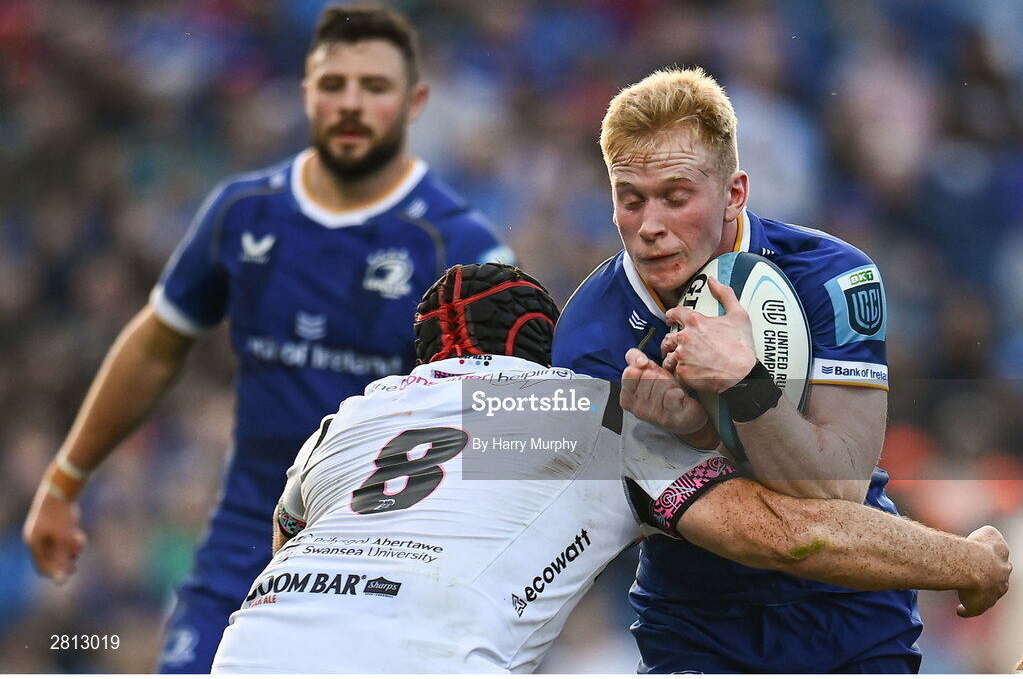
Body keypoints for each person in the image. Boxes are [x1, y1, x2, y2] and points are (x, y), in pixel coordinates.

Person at [22, 5, 513, 673]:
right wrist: (64, 480)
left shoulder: (460, 249)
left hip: (384, 568)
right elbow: (154, 347)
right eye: (333, 85)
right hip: (244, 553)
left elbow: (514, 412)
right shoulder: (242, 212)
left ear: (415, 101)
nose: (351, 103)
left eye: (373, 87)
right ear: (306, 95)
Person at [209, 263, 1008, 673]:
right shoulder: (576, 408)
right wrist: (966, 561)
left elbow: (288, 550)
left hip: (246, 654)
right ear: (543, 347)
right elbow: (787, 536)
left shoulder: (347, 421)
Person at [551, 67, 926, 671]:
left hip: (852, 611)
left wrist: (741, 384)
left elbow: (836, 493)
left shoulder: (834, 276)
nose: (650, 226)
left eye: (676, 197)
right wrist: (692, 435)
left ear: (734, 194)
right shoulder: (589, 340)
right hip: (696, 623)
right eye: (630, 199)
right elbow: (731, 520)